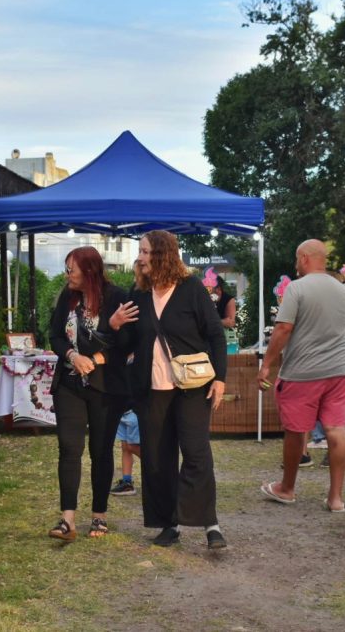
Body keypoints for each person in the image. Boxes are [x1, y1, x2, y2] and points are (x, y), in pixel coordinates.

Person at [128, 230, 228, 549]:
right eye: (140, 252)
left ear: (163, 254)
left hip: (192, 388)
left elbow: (215, 334)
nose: (140, 257)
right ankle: (168, 524)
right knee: (157, 458)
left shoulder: (191, 289)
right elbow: (129, 340)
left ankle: (209, 523)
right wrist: (116, 326)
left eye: (145, 252)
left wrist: (221, 378)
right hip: (152, 389)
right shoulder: (140, 294)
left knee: (197, 453)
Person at [47, 246, 136, 540]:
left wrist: (97, 357)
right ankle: (67, 520)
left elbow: (128, 344)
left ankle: (99, 515)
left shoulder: (117, 297)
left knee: (100, 450)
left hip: (105, 387)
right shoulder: (67, 298)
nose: (67, 274)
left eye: (71, 269)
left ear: (89, 271)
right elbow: (55, 335)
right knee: (69, 448)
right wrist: (73, 356)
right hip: (70, 384)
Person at [257, 240, 345, 513]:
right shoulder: (343, 290)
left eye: (297, 259)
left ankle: (287, 488)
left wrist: (266, 365)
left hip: (303, 372)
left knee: (296, 431)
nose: (295, 264)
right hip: (339, 370)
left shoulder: (296, 288)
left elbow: (284, 328)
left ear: (304, 258)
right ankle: (335, 498)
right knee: (336, 429)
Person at [110, 409, 141, 495]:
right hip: (121, 410)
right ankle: (127, 483)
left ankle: (160, 469)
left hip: (134, 410)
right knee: (125, 447)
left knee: (132, 446)